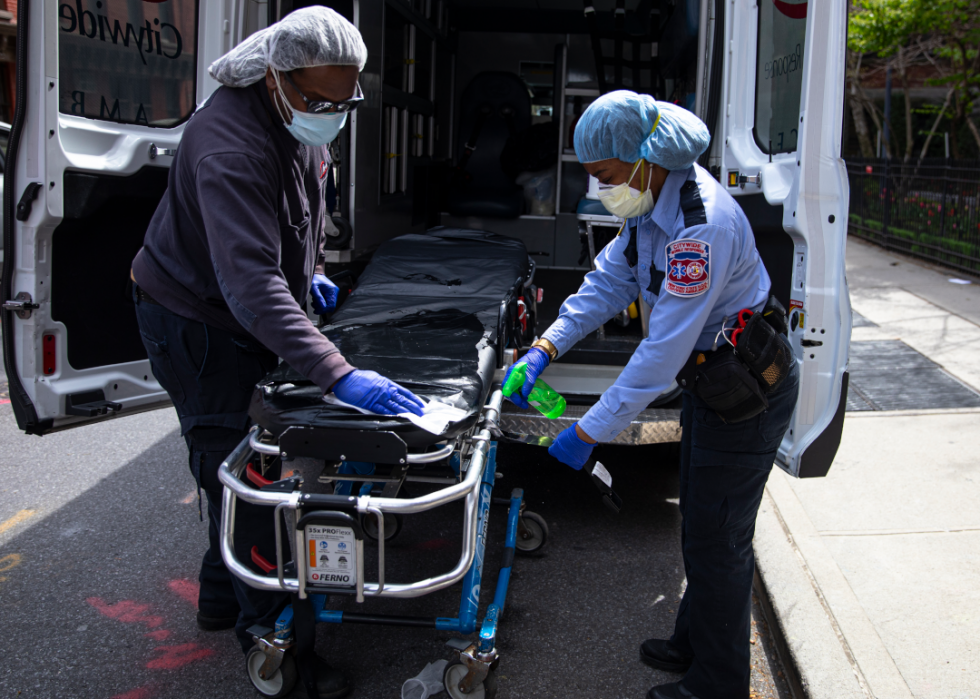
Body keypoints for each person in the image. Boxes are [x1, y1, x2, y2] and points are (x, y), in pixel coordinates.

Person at [131, 8, 422, 697]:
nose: (331, 112)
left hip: (233, 304)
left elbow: (298, 213)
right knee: (245, 478)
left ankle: (220, 594)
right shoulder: (228, 146)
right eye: (318, 100)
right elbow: (250, 287)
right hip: (194, 319)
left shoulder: (301, 120)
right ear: (275, 79)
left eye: (342, 100)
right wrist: (339, 372)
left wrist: (308, 271)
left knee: (238, 458)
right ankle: (279, 646)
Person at [504, 91, 800, 699]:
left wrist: (590, 430)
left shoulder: (700, 227)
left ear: (644, 159)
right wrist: (545, 347)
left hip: (743, 390)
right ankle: (695, 642)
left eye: (604, 176)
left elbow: (659, 354)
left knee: (720, 540)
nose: (597, 190)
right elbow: (609, 281)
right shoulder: (651, 206)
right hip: (712, 380)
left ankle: (718, 683)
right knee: (699, 524)